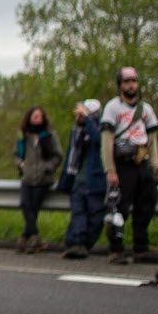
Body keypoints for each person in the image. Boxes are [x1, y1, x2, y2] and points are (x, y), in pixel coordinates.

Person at [101, 68, 158, 265]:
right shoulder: (112, 108)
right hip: (122, 163)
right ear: (120, 85)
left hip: (141, 161)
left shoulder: (146, 109)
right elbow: (107, 140)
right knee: (119, 209)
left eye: (134, 81)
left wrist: (154, 165)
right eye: (126, 81)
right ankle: (116, 250)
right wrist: (110, 169)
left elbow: (152, 139)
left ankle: (141, 248)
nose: (131, 85)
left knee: (146, 206)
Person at [60, 99, 106, 259]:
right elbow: (70, 158)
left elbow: (100, 141)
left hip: (96, 182)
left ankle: (84, 244)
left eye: (82, 114)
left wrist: (87, 120)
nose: (78, 117)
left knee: (95, 217)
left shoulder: (101, 128)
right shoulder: (77, 132)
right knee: (78, 214)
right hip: (78, 182)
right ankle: (75, 244)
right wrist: (65, 181)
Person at [14, 106, 62, 254]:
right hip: (27, 177)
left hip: (44, 178)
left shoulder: (49, 135)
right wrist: (20, 164)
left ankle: (26, 237)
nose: (37, 119)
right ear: (29, 118)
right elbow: (16, 154)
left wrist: (48, 167)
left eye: (39, 116)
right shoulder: (23, 136)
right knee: (25, 204)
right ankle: (34, 237)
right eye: (35, 116)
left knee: (33, 207)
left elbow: (58, 155)